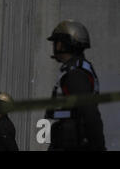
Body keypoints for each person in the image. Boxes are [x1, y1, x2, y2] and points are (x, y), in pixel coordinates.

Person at [45, 20, 105, 151]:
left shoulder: (75, 74)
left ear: (63, 44)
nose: (55, 46)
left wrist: (99, 147)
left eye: (56, 42)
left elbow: (90, 113)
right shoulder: (75, 69)